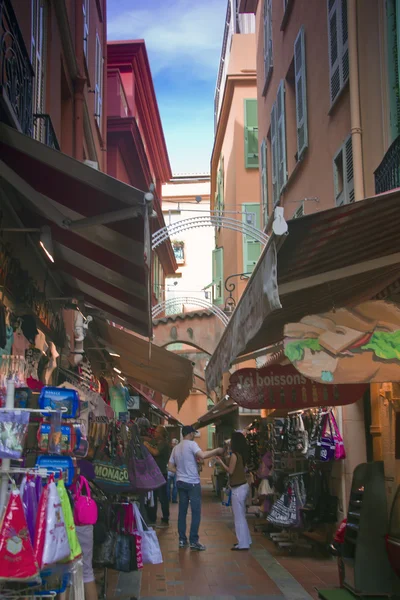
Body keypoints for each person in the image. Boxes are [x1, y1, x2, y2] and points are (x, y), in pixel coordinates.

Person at [168, 425, 224, 551]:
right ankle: (194, 541)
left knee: (182, 512)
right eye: (193, 433)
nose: (194, 435)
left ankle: (182, 540)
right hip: (192, 483)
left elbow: (170, 467)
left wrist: (180, 471)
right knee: (196, 512)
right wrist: (216, 450)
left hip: (180, 482)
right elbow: (202, 455)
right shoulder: (192, 445)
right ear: (190, 434)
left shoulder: (176, 448)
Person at [215, 431, 252, 551]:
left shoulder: (235, 455)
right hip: (243, 486)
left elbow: (230, 471)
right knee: (241, 516)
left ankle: (243, 543)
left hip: (238, 488)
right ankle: (246, 540)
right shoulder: (241, 455)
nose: (229, 442)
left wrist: (220, 462)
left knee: (238, 517)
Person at [143, 425, 170, 528]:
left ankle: (165, 519)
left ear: (162, 434)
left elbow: (155, 452)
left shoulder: (164, 445)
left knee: (162, 497)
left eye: (157, 432)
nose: (155, 433)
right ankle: (152, 518)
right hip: (153, 474)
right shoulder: (156, 442)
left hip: (161, 474)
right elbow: (148, 440)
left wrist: (146, 445)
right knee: (153, 497)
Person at [167, 438, 179, 503]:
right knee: (168, 486)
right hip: (169, 470)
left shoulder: (178, 451)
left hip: (175, 470)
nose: (173, 445)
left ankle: (174, 499)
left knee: (175, 485)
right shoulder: (169, 451)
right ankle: (168, 498)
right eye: (172, 443)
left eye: (174, 444)